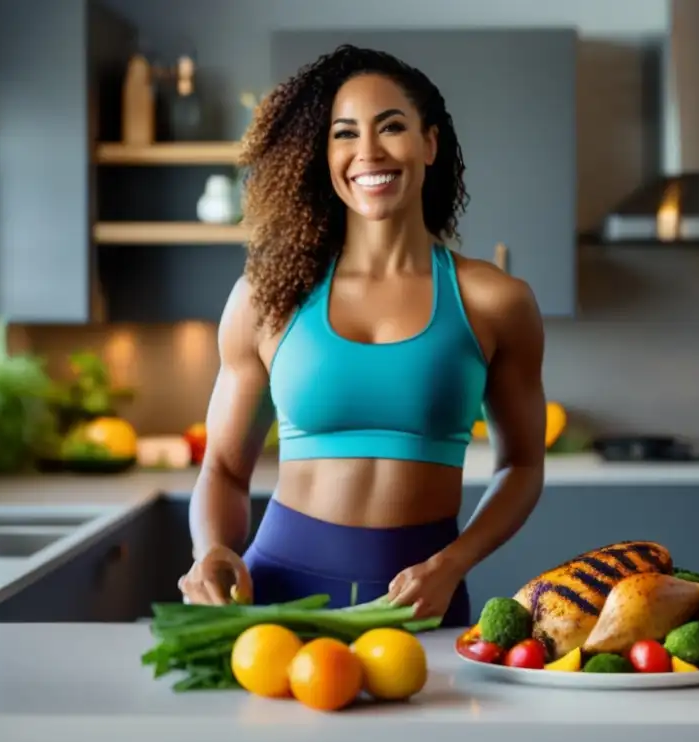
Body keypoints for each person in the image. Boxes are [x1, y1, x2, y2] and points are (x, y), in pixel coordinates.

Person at [178, 44, 547, 627]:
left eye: (391, 127)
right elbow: (222, 469)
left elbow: (523, 466)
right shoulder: (267, 298)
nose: (367, 151)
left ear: (429, 144)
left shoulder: (494, 301)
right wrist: (212, 552)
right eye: (344, 133)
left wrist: (454, 563)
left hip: (423, 603)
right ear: (323, 155)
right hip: (275, 596)